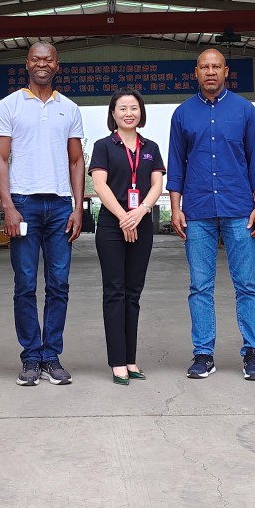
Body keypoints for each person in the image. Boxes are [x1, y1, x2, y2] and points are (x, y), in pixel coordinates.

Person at [168, 48, 255, 381]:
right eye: (204, 67)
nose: (210, 72)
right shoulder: (183, 114)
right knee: (200, 286)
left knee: (247, 285)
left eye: (216, 67)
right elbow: (176, 165)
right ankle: (203, 354)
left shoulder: (245, 110)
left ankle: (252, 354)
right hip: (197, 212)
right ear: (196, 72)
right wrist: (175, 208)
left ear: (226, 71)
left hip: (239, 209)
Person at [0, 42, 85, 386]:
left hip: (60, 206)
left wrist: (77, 208)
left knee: (59, 284)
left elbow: (77, 160)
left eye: (48, 59)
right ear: (27, 63)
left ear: (57, 65)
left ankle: (51, 356)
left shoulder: (69, 108)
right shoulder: (9, 105)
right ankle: (31, 357)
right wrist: (8, 206)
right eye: (36, 59)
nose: (42, 64)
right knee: (25, 284)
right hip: (23, 204)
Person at [90, 90, 166, 385]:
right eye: (122, 108)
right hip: (112, 224)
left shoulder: (151, 148)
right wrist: (124, 217)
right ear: (113, 114)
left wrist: (141, 211)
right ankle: (117, 362)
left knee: (133, 293)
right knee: (115, 291)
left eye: (134, 108)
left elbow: (157, 184)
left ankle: (131, 359)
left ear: (141, 112)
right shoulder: (103, 146)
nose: (128, 113)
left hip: (141, 222)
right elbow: (100, 185)